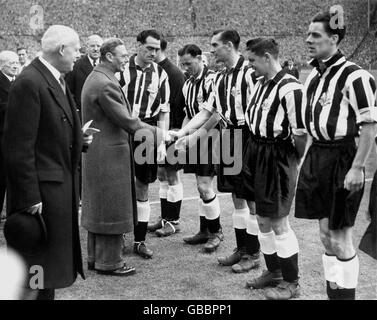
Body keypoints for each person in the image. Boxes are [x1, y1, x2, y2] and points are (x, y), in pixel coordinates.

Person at [2, 25, 93, 300]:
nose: (79, 55)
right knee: (35, 264)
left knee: (48, 265)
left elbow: (51, 129)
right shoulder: (30, 81)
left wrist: (79, 139)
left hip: (56, 191)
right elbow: (18, 145)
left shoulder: (54, 78)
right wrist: (29, 196)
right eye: (76, 49)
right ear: (62, 49)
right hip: (40, 196)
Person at [295, 10, 377, 300]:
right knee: (325, 237)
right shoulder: (313, 78)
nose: (308, 40)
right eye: (308, 34)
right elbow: (308, 127)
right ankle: (334, 295)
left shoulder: (356, 76)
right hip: (318, 157)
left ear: (334, 38)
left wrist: (357, 169)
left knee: (341, 238)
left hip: (343, 159)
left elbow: (369, 127)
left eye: (315, 35)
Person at [172, 30, 261, 272]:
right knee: (237, 197)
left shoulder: (251, 73)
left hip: (249, 137)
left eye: (215, 45)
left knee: (252, 201)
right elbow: (207, 112)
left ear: (229, 46)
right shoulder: (221, 78)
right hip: (229, 137)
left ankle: (253, 254)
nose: (211, 50)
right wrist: (182, 134)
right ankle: (242, 249)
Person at [81, 38, 167, 275]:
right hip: (108, 156)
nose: (125, 58)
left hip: (99, 153)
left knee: (99, 207)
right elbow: (128, 121)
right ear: (109, 57)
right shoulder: (105, 84)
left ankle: (95, 258)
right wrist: (162, 134)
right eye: (122, 55)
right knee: (110, 208)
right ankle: (110, 263)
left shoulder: (98, 77)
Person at [243, 38, 306, 300]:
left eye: (253, 60)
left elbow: (301, 134)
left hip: (277, 156)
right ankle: (274, 272)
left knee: (279, 221)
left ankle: (292, 282)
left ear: (267, 57)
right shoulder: (259, 83)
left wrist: (294, 163)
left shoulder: (290, 88)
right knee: (261, 218)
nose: (250, 65)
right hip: (256, 150)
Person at [122, 30, 170, 259]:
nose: (153, 53)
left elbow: (164, 110)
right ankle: (118, 233)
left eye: (157, 49)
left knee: (142, 185)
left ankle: (139, 240)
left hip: (147, 133)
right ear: (138, 44)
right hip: (120, 131)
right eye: (149, 48)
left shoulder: (161, 74)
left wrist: (161, 140)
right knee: (119, 183)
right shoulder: (121, 69)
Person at [175, 44, 223, 248]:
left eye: (189, 63)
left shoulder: (212, 80)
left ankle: (216, 232)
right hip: (195, 137)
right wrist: (182, 135)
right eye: (183, 64)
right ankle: (205, 230)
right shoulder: (188, 84)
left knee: (205, 185)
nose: (186, 67)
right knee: (200, 186)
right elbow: (189, 113)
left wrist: (194, 136)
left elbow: (215, 114)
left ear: (200, 58)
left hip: (212, 137)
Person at [149, 36, 186, 237]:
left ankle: (174, 221)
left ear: (159, 49)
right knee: (162, 174)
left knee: (172, 174)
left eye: (152, 49)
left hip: (172, 131)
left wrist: (174, 135)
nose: (149, 53)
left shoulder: (172, 72)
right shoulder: (156, 70)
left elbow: (177, 106)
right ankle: (165, 218)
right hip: (159, 130)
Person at [0, 51, 19, 223]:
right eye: (11, 63)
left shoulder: (16, 81)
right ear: (2, 65)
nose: (15, 65)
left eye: (16, 63)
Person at [66, 34, 103, 115]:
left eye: (98, 46)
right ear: (87, 47)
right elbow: (68, 91)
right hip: (83, 114)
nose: (96, 49)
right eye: (92, 46)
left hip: (102, 115)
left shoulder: (106, 65)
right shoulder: (76, 66)